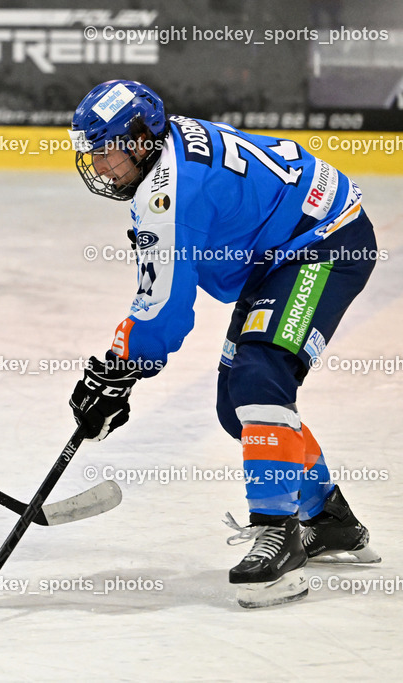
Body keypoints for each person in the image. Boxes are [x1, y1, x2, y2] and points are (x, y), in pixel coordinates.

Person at [66, 80, 380, 608]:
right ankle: (328, 520)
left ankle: (278, 536)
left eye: (105, 152)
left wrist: (120, 371)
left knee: (261, 378)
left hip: (326, 240)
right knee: (238, 408)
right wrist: (121, 366)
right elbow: (164, 289)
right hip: (281, 249)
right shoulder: (163, 157)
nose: (98, 167)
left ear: (141, 141)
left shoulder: (167, 192)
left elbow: (166, 307)